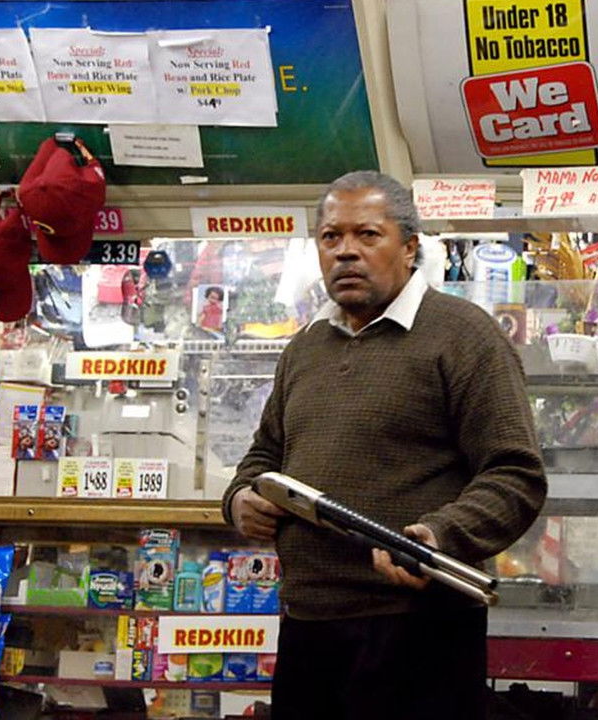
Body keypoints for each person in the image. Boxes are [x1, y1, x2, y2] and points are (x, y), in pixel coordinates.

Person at [222, 170, 546, 720]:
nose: (346, 251)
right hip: (308, 626)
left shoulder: (464, 336)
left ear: (410, 247)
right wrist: (240, 499)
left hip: (418, 631)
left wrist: (440, 535)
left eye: (367, 235)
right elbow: (264, 455)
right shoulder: (306, 348)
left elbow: (515, 475)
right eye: (331, 237)